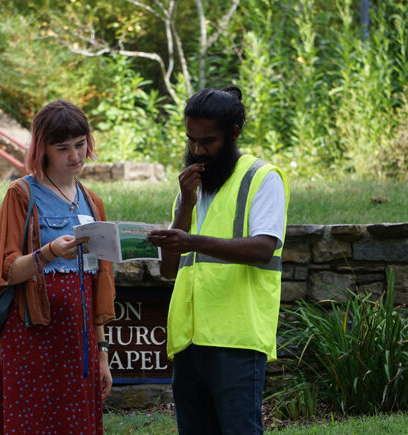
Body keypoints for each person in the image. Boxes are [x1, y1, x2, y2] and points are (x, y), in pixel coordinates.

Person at [147, 86, 289, 434]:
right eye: (191, 140)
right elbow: (168, 269)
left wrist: (191, 241)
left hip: (236, 341)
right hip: (188, 342)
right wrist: (185, 203)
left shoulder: (262, 178)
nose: (197, 150)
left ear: (233, 133)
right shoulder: (189, 190)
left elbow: (262, 248)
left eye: (207, 141)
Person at [0, 100, 116, 434]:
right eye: (63, 147)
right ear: (43, 149)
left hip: (78, 344)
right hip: (31, 338)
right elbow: (5, 271)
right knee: (33, 424)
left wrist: (102, 353)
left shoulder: (92, 200)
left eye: (80, 144)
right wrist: (48, 253)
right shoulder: (22, 193)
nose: (75, 156)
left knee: (76, 424)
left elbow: (97, 287)